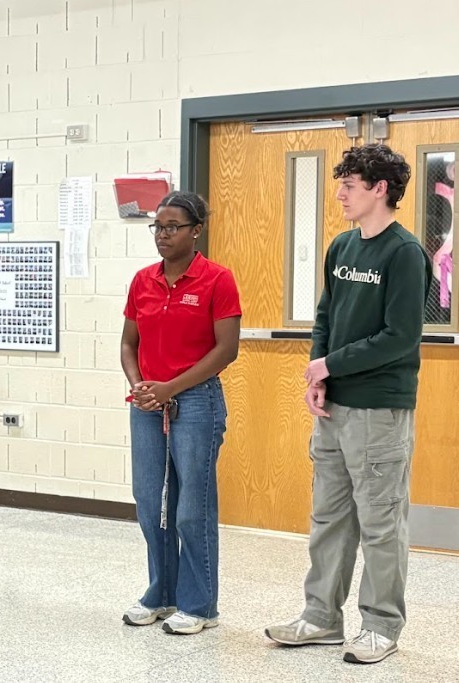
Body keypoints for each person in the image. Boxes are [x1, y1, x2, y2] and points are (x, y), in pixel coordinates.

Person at [265, 144, 432, 664]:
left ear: (380, 190)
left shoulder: (404, 253)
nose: (339, 194)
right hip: (333, 407)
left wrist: (331, 365)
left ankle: (381, 626)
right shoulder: (341, 247)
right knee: (329, 519)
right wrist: (319, 373)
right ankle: (321, 618)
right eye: (340, 183)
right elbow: (326, 316)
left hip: (379, 411)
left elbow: (400, 336)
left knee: (381, 523)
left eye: (350, 185)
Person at [120, 191, 241, 635]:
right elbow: (128, 343)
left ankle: (199, 605)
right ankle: (162, 593)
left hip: (196, 402)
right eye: (158, 227)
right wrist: (139, 385)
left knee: (191, 508)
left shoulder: (217, 280)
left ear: (196, 231)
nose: (163, 235)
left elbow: (226, 349)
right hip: (147, 403)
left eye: (173, 227)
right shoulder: (142, 281)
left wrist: (170, 388)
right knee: (151, 503)